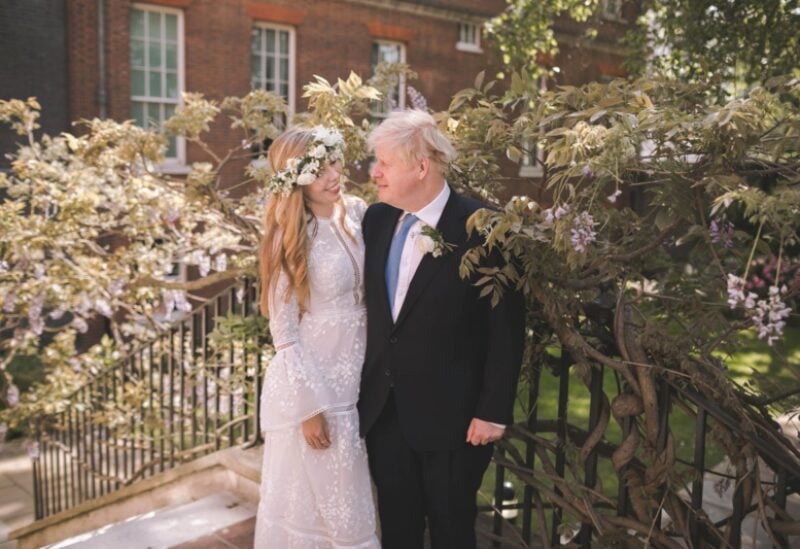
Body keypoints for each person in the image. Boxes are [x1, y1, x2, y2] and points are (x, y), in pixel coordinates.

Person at [358, 110, 526, 549]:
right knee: (397, 529)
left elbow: (506, 328)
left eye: (384, 163)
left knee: (452, 530)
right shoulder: (375, 221)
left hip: (456, 420)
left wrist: (493, 410)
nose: (374, 173)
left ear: (420, 167)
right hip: (385, 413)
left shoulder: (485, 228)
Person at [254, 125, 379, 549]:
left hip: (366, 371)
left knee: (359, 490)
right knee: (326, 501)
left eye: (334, 161)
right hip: (320, 383)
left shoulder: (359, 212)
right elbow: (285, 333)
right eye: (319, 168)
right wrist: (309, 407)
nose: (333, 174)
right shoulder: (288, 237)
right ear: (295, 178)